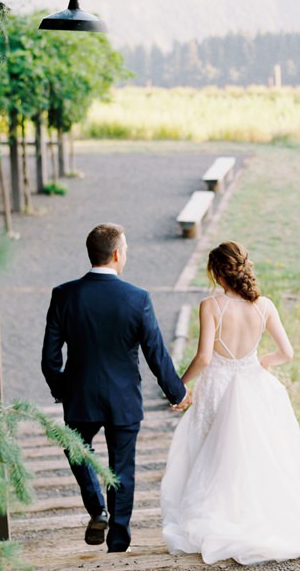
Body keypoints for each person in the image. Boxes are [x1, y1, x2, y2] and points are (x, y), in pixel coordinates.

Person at [160, 241, 300, 564]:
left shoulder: (211, 306)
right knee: (249, 455)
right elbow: (287, 353)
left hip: (218, 385)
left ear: (219, 273)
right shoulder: (265, 306)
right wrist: (265, 361)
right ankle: (252, 517)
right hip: (252, 385)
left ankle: (220, 519)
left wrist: (178, 385)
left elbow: (205, 358)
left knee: (213, 454)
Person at [42, 223, 191, 553]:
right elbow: (156, 352)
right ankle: (118, 540)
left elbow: (50, 358)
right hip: (123, 399)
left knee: (78, 452)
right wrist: (177, 392)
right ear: (116, 254)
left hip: (79, 397)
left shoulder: (64, 295)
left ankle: (97, 510)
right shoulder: (137, 299)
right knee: (122, 467)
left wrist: (63, 390)